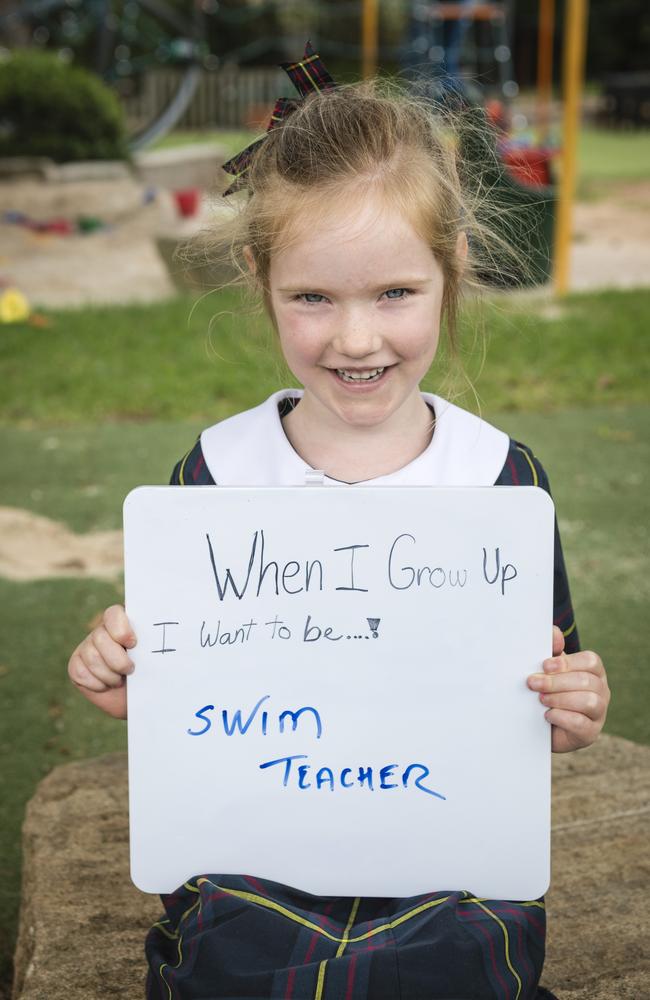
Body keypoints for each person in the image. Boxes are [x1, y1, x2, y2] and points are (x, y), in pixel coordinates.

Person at [67, 44, 609, 1000]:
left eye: (395, 293)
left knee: (458, 966)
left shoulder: (504, 483)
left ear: (455, 268)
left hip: (450, 868)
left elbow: (548, 696)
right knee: (233, 963)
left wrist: (572, 706)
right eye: (312, 298)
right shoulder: (212, 476)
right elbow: (184, 687)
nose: (356, 339)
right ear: (258, 277)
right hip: (253, 864)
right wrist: (126, 675)